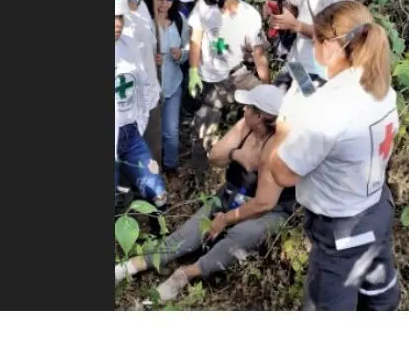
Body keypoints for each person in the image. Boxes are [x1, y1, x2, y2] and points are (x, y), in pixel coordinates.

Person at [268, 0, 401, 311]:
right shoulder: (381, 87)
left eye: (315, 37)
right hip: (376, 212)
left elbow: (283, 174)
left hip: (342, 231)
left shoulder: (327, 108)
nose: (312, 44)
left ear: (330, 45)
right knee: (379, 303)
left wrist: (284, 128)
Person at [115, 85, 296, 302]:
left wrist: (225, 220)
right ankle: (130, 267)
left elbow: (264, 203)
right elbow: (215, 155)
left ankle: (183, 275)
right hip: (230, 195)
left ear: (259, 116)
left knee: (239, 237)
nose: (244, 110)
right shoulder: (246, 126)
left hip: (269, 211)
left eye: (249, 107)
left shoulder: (277, 148)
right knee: (187, 234)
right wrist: (237, 154)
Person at [185, 0, 270, 153]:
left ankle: (256, 157)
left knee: (267, 114)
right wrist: (193, 71)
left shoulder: (249, 15)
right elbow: (195, 39)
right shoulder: (203, 8)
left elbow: (259, 54)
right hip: (210, 79)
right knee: (202, 130)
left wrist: (267, 90)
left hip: (237, 74)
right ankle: (200, 172)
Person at [115, 0, 168, 209]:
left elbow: (144, 82)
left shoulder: (129, 46)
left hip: (131, 133)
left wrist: (141, 119)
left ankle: (159, 235)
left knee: (158, 192)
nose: (118, 23)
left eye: (120, 17)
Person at [115, 0, 162, 165]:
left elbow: (147, 45)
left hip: (150, 95)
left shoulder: (141, 5)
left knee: (153, 159)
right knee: (128, 167)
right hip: (125, 107)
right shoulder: (116, 10)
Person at [143, 0, 190, 175]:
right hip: (148, 87)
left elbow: (189, 49)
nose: (164, 3)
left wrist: (181, 54)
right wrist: (149, 59)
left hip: (172, 84)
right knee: (149, 131)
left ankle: (170, 166)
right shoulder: (145, 20)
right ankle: (150, 168)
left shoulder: (179, 20)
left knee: (171, 131)